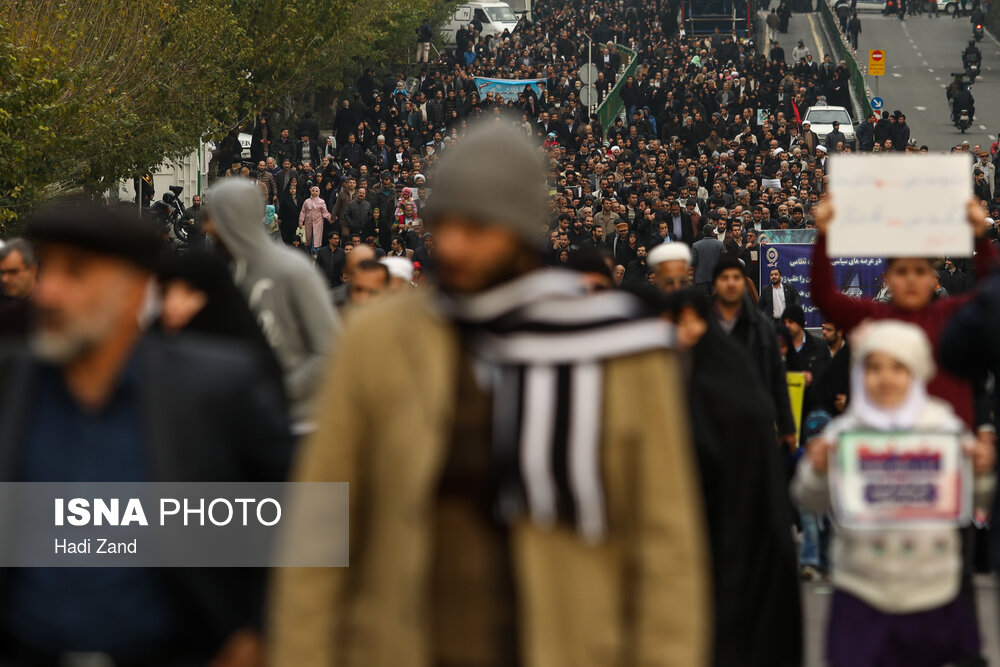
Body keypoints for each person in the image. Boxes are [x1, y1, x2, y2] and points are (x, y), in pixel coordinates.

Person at [269, 120, 710, 667]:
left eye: (476, 226)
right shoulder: (377, 341)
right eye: (443, 223)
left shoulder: (620, 353)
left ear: (520, 228)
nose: (452, 243)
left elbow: (666, 548)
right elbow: (320, 532)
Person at [0, 201, 292, 666]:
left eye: (75, 273)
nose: (48, 293)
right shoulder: (11, 386)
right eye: (47, 267)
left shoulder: (213, 390)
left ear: (134, 292)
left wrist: (257, 631)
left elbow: (302, 517)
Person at [793, 320, 995, 667]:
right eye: (874, 368)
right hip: (860, 589)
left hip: (932, 590)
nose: (886, 378)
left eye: (898, 367)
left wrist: (980, 473)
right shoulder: (846, 431)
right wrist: (817, 472)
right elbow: (808, 500)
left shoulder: (943, 428)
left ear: (917, 372)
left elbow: (978, 501)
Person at [648, 245, 804, 667]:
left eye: (690, 322)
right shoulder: (653, 376)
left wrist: (787, 429)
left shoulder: (749, 345)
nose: (684, 332)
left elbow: (771, 382)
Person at [203, 178, 339, 430]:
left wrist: (276, 392)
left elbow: (329, 350)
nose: (208, 226)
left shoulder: (294, 271)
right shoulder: (222, 274)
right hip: (242, 426)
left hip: (296, 424)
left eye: (214, 216)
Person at [712, 255, 798, 450]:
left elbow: (777, 380)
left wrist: (787, 427)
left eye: (736, 277)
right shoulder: (704, 326)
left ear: (744, 283)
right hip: (715, 424)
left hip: (755, 422)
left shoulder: (761, 328)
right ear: (716, 284)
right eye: (724, 278)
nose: (731, 283)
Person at [0, 239, 38, 337]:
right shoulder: (4, 310)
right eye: (2, 272)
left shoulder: (49, 307)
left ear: (33, 270)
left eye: (13, 272)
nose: (5, 279)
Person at [299, 185, 332, 254]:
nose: (314, 192)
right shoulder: (307, 201)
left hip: (318, 223)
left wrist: (330, 219)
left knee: (316, 239)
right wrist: (301, 221)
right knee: (308, 239)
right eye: (313, 191)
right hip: (308, 223)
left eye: (316, 191)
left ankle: (316, 253)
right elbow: (303, 212)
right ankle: (307, 253)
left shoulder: (321, 202)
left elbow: (325, 212)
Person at [692, 223, 724, 294]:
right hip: (716, 278)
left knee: (702, 303)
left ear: (703, 232)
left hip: (701, 279)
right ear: (713, 232)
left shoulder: (696, 245)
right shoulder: (720, 244)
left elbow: (693, 262)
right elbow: (722, 261)